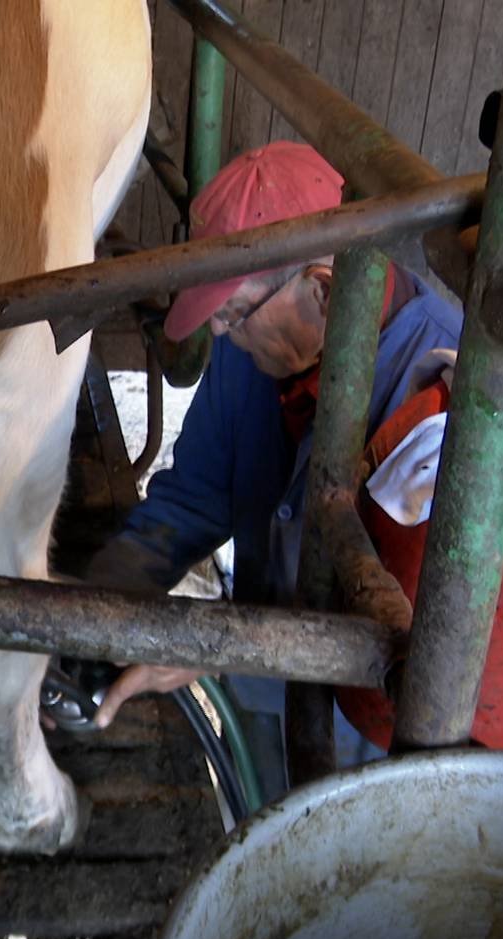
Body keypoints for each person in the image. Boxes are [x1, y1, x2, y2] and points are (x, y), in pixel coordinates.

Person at [82, 142, 464, 782]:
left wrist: (210, 649)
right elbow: (194, 497)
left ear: (321, 292)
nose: (224, 334)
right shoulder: (250, 357)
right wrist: (97, 609)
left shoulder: (445, 395)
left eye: (233, 312)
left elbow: (429, 629)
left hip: (386, 738)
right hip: (263, 698)